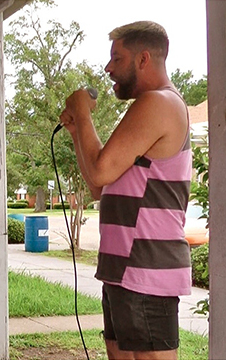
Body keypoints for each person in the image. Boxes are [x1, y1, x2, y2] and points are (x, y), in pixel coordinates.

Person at [60, 21, 191, 360]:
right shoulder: (149, 107)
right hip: (124, 269)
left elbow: (101, 168)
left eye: (116, 59)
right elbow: (99, 185)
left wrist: (83, 112)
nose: (108, 68)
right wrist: (78, 129)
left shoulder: (159, 103)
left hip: (146, 268)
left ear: (143, 59)